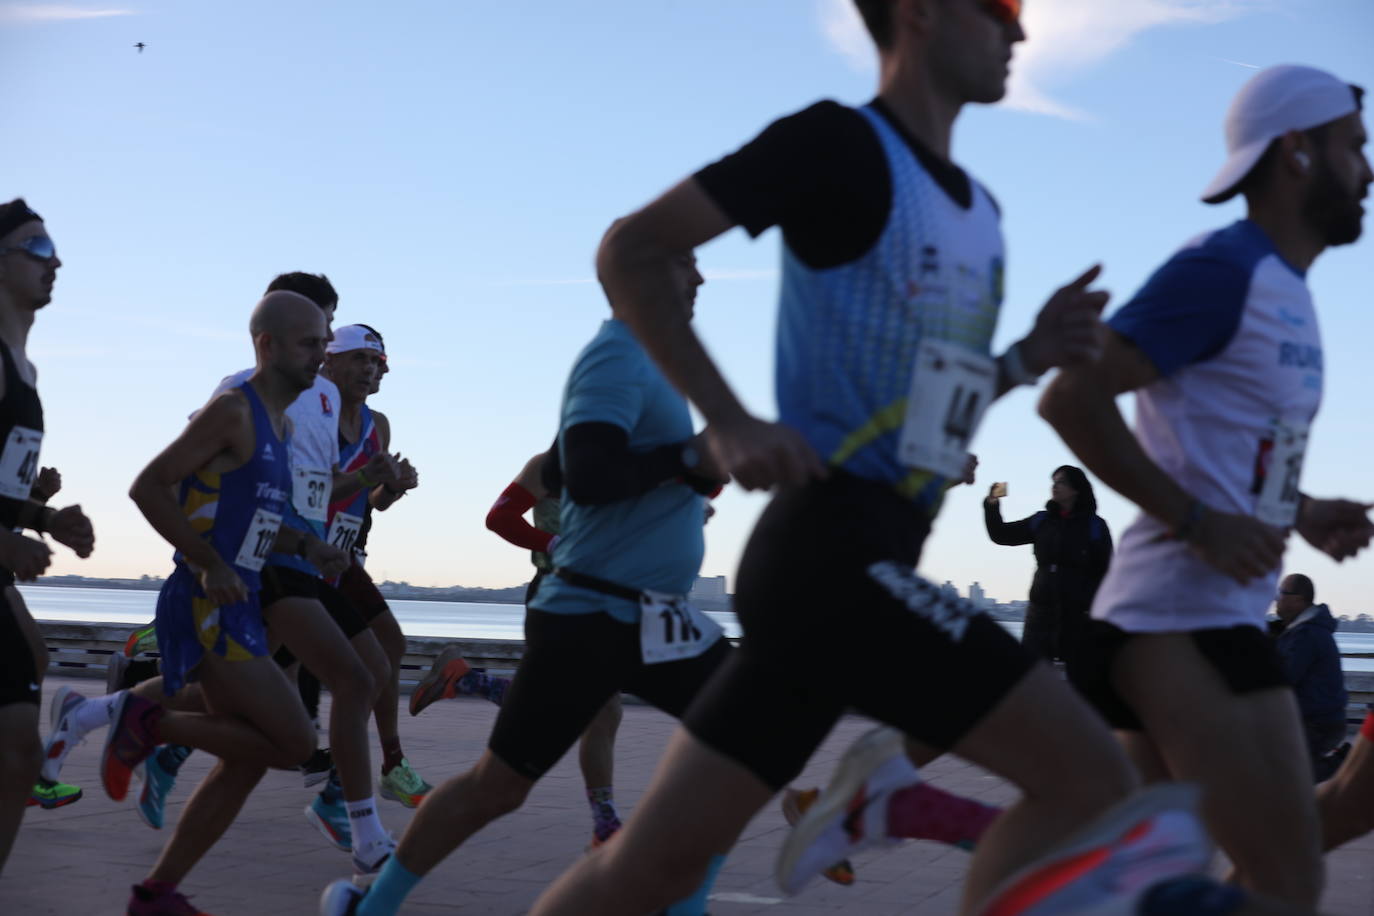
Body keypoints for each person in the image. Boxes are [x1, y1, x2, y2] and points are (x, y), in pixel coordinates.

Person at [523, 3, 1226, 915]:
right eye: (1004, 9)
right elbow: (632, 249)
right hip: (829, 557)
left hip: (864, 559)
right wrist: (731, 417)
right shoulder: (837, 145)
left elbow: (932, 393)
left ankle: (878, 798)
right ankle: (881, 797)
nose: (1021, 33)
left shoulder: (982, 212)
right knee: (1094, 778)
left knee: (646, 872)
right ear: (922, 14)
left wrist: (1024, 359)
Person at [1039, 64, 1372, 908]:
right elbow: (1070, 397)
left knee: (1143, 875)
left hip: (1177, 619)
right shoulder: (1223, 268)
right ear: (1296, 152)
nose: (1368, 169)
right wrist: (1196, 524)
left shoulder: (1288, 291)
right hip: (1181, 616)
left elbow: (1228, 454)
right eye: (1356, 147)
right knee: (1287, 877)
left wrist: (1302, 511)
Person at [320, 253, 736, 916]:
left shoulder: (657, 364)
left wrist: (702, 476)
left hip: (651, 611)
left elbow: (639, 474)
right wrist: (692, 458)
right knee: (500, 785)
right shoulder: (618, 357)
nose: (700, 278)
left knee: (743, 738)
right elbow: (590, 471)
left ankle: (678, 900)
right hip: (596, 609)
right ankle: (370, 906)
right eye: (684, 263)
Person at [102, 290, 329, 915]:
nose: (322, 352)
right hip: (206, 600)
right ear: (268, 345)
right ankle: (148, 722)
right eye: (311, 341)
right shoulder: (234, 410)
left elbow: (247, 518)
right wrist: (209, 562)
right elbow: (148, 486)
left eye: (325, 340)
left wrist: (306, 546)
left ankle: (157, 892)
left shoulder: (281, 425)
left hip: (241, 599)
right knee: (291, 742)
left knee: (245, 756)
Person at [0, 199, 95, 874]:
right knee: (15, 748)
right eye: (37, 246)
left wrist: (42, 518)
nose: (54, 260)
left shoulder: (22, 369)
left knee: (17, 749)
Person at [482, 449, 625, 847]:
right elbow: (499, 518)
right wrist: (554, 542)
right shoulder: (551, 463)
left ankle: (604, 822)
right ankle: (604, 823)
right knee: (595, 707)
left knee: (601, 709)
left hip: (603, 597)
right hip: (556, 593)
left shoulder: (621, 465)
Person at [320, 324, 431, 807]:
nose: (369, 370)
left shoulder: (377, 425)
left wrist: (395, 486)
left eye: (377, 363)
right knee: (256, 688)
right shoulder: (312, 414)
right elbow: (313, 488)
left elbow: (373, 501)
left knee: (386, 649)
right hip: (295, 554)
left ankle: (387, 765)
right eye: (360, 359)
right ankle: (147, 727)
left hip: (342, 559)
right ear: (330, 362)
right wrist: (368, 476)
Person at [983, 465, 1112, 663]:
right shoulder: (1041, 521)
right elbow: (1001, 534)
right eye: (1054, 482)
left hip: (1077, 619)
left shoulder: (1095, 526)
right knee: (1030, 676)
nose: (1055, 486)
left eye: (1061, 482)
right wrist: (992, 503)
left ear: (1076, 489)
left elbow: (1106, 573)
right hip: (1039, 618)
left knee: (1078, 680)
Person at [1270, 574, 1348, 781]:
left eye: (1282, 593)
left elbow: (1282, 679)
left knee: (1288, 774)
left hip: (1317, 723)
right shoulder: (1297, 631)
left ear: (1299, 599)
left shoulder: (1306, 635)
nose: (1276, 598)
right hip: (1315, 719)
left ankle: (1342, 769)